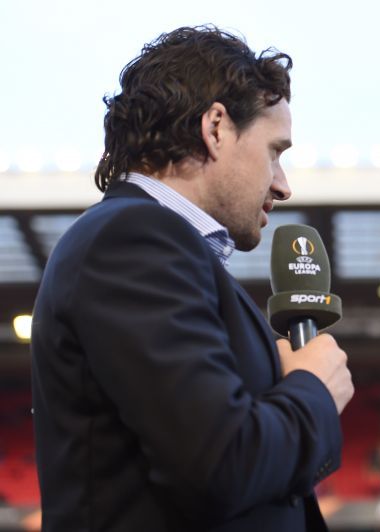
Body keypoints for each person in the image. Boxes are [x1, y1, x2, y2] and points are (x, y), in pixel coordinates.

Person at [31, 26, 353, 531]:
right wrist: (314, 387)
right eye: (275, 151)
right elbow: (221, 463)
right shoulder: (132, 238)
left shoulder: (157, 244)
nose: (283, 185)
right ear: (217, 127)